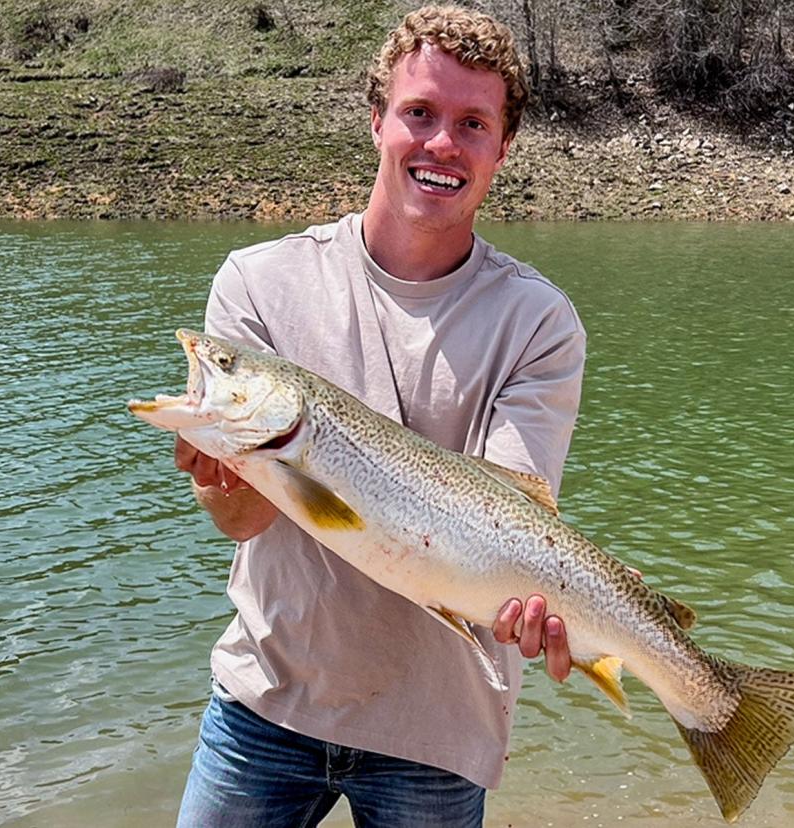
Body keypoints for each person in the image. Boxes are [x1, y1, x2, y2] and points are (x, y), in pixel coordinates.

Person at [173, 6, 586, 826]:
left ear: (502, 148)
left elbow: (513, 512)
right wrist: (224, 474)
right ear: (377, 122)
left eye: (473, 123)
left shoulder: (540, 323)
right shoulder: (258, 283)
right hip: (269, 701)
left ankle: (714, 708)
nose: (442, 143)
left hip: (442, 726)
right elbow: (244, 522)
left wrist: (546, 602)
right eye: (419, 113)